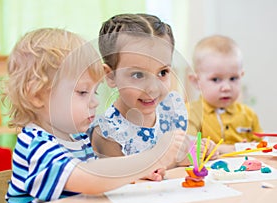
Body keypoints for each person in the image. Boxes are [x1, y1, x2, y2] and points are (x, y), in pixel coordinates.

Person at [1, 28, 189, 203]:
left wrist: (136, 173)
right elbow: (87, 179)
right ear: (37, 96)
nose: (95, 103)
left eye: (95, 92)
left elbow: (102, 175)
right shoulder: (36, 145)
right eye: (83, 92)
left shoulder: (78, 138)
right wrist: (153, 157)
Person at [90, 13, 218, 174]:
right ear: (110, 75)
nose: (153, 88)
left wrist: (197, 149)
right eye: (138, 75)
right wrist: (175, 160)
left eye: (163, 72)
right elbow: (121, 181)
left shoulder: (170, 110)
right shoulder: (107, 133)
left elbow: (181, 147)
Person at [186, 35, 262, 154]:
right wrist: (226, 149)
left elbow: (261, 148)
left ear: (241, 76)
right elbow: (188, 147)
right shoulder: (190, 112)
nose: (226, 87)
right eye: (216, 79)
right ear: (196, 81)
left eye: (233, 78)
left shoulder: (249, 116)